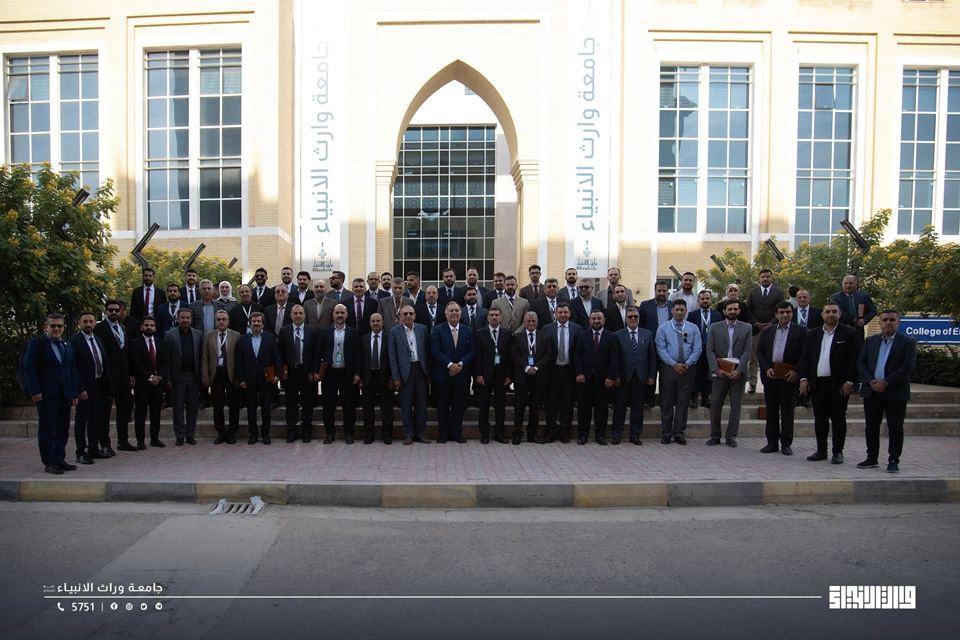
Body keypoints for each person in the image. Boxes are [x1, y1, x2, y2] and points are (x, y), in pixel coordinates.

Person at [856, 310, 918, 473]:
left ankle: (893, 459)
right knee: (871, 427)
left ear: (898, 322)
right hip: (872, 391)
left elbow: (907, 366)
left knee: (895, 428)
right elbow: (861, 363)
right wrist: (871, 380)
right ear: (880, 323)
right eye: (884, 320)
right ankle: (872, 457)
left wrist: (886, 382)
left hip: (895, 392)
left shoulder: (907, 342)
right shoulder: (870, 341)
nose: (888, 323)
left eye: (892, 320)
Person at [799, 302, 860, 464]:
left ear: (840, 314)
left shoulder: (849, 333)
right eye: (827, 311)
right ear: (822, 315)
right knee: (820, 417)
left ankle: (838, 451)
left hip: (839, 384)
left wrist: (850, 381)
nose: (830, 314)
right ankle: (821, 450)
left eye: (834, 311)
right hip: (817, 383)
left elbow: (855, 359)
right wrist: (804, 379)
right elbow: (805, 358)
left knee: (838, 418)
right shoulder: (812, 333)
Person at [24, 313, 79, 474]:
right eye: (53, 325)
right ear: (46, 327)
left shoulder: (66, 345)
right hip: (46, 393)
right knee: (47, 428)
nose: (56, 329)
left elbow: (71, 370)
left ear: (63, 328)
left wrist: (74, 392)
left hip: (65, 393)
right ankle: (49, 461)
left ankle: (59, 458)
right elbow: (29, 368)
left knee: (62, 428)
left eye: (59, 326)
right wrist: (34, 390)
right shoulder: (37, 343)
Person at [756, 302, 806, 455]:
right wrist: (766, 368)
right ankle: (771, 443)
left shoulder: (801, 331)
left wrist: (796, 371)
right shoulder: (768, 331)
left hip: (789, 377)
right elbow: (760, 352)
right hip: (771, 376)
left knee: (787, 412)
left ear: (792, 313)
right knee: (771, 411)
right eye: (782, 312)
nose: (785, 315)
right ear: (776, 314)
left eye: (788, 312)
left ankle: (786, 443)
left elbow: (805, 354)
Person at [705, 299, 753, 448]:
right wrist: (715, 369)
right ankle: (715, 435)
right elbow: (710, 350)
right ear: (724, 311)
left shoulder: (747, 328)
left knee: (736, 406)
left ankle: (731, 436)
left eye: (735, 309)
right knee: (715, 404)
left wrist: (739, 370)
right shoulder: (715, 327)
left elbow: (747, 351)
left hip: (738, 373)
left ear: (739, 311)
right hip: (720, 371)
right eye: (729, 309)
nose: (732, 312)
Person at [655, 300, 701, 445]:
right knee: (666, 402)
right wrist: (674, 364)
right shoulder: (663, 328)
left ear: (686, 311)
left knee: (683, 402)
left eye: (682, 310)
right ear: (672, 311)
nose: (680, 312)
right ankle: (666, 432)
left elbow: (697, 348)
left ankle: (679, 432)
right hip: (669, 369)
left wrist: (688, 363)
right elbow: (661, 349)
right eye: (677, 310)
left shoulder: (693, 328)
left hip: (687, 369)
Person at [68, 311, 110, 464]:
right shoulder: (74, 341)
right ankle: (80, 451)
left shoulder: (98, 340)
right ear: (79, 323)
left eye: (91, 321)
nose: (88, 324)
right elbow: (73, 367)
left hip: (99, 384)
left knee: (95, 419)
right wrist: (80, 388)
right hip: (84, 387)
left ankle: (93, 448)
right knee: (82, 420)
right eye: (85, 321)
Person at [573, 309, 620, 445]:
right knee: (583, 409)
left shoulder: (612, 337)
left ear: (604, 320)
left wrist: (610, 377)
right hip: (585, 379)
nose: (596, 321)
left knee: (602, 409)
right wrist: (579, 373)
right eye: (593, 319)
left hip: (603, 380)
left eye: (599, 319)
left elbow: (614, 359)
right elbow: (577, 356)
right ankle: (583, 435)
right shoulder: (581, 336)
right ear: (589, 320)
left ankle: (600, 435)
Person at [431, 301, 475, 443]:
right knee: (443, 406)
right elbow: (435, 351)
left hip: (461, 375)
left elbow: (472, 351)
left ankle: (456, 433)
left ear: (461, 313)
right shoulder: (437, 330)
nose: (454, 313)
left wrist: (460, 364)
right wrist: (450, 365)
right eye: (451, 311)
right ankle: (443, 433)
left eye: (456, 310)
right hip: (443, 375)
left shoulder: (468, 331)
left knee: (458, 405)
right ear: (446, 314)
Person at [388, 306, 431, 445]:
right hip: (405, 371)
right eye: (405, 314)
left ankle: (420, 433)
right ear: (400, 316)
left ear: (415, 315)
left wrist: (429, 373)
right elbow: (392, 355)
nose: (408, 316)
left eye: (411, 313)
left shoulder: (423, 329)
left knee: (421, 404)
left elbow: (427, 350)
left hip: (420, 370)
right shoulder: (394, 331)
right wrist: (395, 376)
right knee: (406, 404)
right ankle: (408, 434)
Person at [613, 307, 656, 445]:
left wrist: (651, 375)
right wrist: (615, 376)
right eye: (630, 317)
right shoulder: (618, 335)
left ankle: (635, 434)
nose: (633, 319)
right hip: (623, 377)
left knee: (638, 408)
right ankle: (617, 434)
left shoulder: (647, 334)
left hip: (640, 377)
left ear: (639, 318)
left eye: (635, 316)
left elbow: (652, 357)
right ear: (625, 319)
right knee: (619, 407)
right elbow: (614, 358)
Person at [236, 312, 281, 444]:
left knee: (266, 408)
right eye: (253, 321)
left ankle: (266, 434)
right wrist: (241, 379)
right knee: (251, 408)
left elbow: (277, 357)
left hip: (266, 379)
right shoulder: (243, 339)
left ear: (263, 324)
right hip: (249, 380)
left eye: (258, 321)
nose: (256, 324)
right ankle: (253, 434)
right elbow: (239, 361)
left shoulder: (270, 338)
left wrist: (278, 375)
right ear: (249, 324)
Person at [318, 304, 360, 444]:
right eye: (337, 313)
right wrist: (316, 371)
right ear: (333, 315)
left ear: (347, 315)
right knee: (328, 406)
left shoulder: (354, 333)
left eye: (342, 312)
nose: (340, 315)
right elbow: (318, 353)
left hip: (347, 374)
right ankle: (330, 433)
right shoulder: (325, 332)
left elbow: (357, 355)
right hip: (330, 374)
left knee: (349, 406)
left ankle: (349, 433)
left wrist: (357, 373)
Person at [94, 300, 132, 454]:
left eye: (117, 310)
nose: (114, 313)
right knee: (105, 412)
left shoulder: (123, 328)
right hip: (108, 376)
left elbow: (125, 352)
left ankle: (123, 441)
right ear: (106, 311)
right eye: (111, 310)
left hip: (123, 376)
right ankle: (105, 444)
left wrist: (129, 374)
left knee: (124, 409)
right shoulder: (99, 329)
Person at [511, 311, 553, 445]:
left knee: (535, 408)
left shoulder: (545, 337)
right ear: (524, 322)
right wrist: (526, 367)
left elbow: (548, 354)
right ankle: (517, 434)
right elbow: (515, 354)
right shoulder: (517, 337)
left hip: (538, 376)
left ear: (537, 322)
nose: (531, 323)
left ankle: (532, 434)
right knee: (519, 407)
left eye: (533, 321)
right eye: (528, 321)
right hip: (522, 377)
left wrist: (537, 367)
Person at [542, 302, 582, 443]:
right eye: (560, 312)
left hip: (569, 372)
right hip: (552, 371)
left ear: (569, 314)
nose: (563, 315)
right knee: (551, 403)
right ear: (555, 314)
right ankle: (551, 431)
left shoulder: (577, 329)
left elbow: (579, 352)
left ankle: (565, 431)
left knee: (568, 403)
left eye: (565, 312)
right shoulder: (547, 329)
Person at [201, 310, 241, 444]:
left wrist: (239, 376)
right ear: (215, 322)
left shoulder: (236, 335)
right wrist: (205, 376)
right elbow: (204, 357)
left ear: (228, 322)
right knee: (217, 405)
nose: (221, 322)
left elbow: (239, 357)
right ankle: (221, 432)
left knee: (233, 405)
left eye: (224, 319)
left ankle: (232, 433)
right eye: (218, 320)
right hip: (216, 373)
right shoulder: (208, 336)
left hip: (231, 374)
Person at [473, 306, 512, 444]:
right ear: (488, 317)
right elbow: (477, 356)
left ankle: (499, 433)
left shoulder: (507, 334)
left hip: (501, 376)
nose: (494, 317)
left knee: (500, 406)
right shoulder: (480, 333)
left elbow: (509, 356)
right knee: (484, 406)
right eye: (492, 315)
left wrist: (509, 375)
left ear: (501, 317)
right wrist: (478, 374)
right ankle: (484, 434)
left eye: (497, 315)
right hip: (485, 375)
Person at [279, 305, 318, 443]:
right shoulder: (284, 331)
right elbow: (280, 353)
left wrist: (313, 371)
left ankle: (306, 430)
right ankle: (292, 430)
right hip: (290, 373)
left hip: (306, 373)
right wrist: (282, 373)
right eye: (295, 313)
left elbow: (315, 354)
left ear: (304, 315)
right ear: (291, 315)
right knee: (291, 403)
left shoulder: (312, 331)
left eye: (300, 313)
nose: (298, 316)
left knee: (307, 403)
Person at [130, 316, 169, 449]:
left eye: (152, 325)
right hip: (143, 383)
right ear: (142, 327)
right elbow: (136, 363)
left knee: (156, 413)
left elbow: (165, 362)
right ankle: (140, 440)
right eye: (146, 325)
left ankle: (155, 438)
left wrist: (159, 376)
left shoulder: (161, 343)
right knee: (140, 413)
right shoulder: (135, 343)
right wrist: (149, 377)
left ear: (155, 328)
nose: (149, 327)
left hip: (158, 384)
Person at [165, 308, 202, 446]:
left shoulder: (198, 335)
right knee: (178, 407)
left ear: (191, 319)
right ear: (177, 319)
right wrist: (168, 378)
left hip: (193, 375)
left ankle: (190, 434)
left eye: (188, 318)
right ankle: (180, 435)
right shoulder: (169, 335)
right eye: (182, 318)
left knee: (193, 407)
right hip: (177, 375)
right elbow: (166, 359)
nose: (185, 320)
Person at [745, 268, 784, 394]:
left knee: (772, 356)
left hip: (772, 329)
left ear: (771, 278)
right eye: (763, 277)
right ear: (759, 278)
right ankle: (752, 383)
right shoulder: (752, 292)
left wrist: (771, 323)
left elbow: (780, 310)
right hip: (756, 329)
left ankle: (771, 381)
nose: (765, 279)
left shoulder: (778, 292)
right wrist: (755, 323)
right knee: (753, 358)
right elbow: (749, 309)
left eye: (768, 276)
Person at [359, 313, 394, 444]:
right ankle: (369, 434)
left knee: (387, 408)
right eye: (373, 321)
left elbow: (392, 359)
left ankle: (387, 434)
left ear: (382, 323)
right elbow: (360, 359)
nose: (375, 323)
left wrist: (392, 376)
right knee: (367, 408)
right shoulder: (363, 339)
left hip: (384, 377)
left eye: (378, 321)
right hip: (368, 378)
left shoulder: (388, 338)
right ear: (370, 323)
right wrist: (360, 376)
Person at [639, 280, 674, 408]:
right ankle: (649, 399)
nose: (661, 293)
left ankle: (665, 400)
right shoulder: (645, 305)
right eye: (659, 290)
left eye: (664, 291)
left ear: (668, 291)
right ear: (655, 291)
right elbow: (641, 325)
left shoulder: (673, 306)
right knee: (651, 372)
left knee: (666, 375)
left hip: (669, 345)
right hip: (651, 344)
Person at [689, 290, 721, 409]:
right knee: (696, 374)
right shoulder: (692, 315)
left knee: (708, 375)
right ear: (698, 301)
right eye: (702, 299)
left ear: (711, 300)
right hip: (697, 349)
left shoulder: (717, 315)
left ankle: (705, 398)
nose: (705, 301)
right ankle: (693, 399)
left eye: (707, 298)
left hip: (711, 349)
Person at [830, 274, 877, 339]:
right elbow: (838, 312)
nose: (848, 285)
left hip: (858, 331)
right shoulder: (835, 297)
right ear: (842, 285)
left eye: (851, 283)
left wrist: (864, 320)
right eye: (846, 283)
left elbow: (873, 311)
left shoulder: (864, 296)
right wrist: (853, 320)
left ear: (856, 285)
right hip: (841, 329)